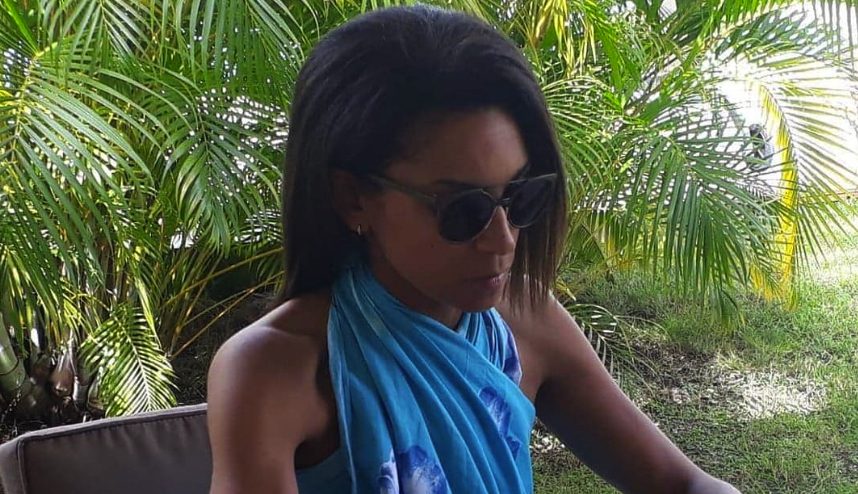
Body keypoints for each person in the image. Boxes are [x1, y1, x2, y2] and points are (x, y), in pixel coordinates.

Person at [207, 5, 741, 494]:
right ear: (353, 197)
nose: (503, 238)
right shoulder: (277, 372)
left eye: (521, 196)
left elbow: (682, 484)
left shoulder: (526, 318)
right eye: (462, 210)